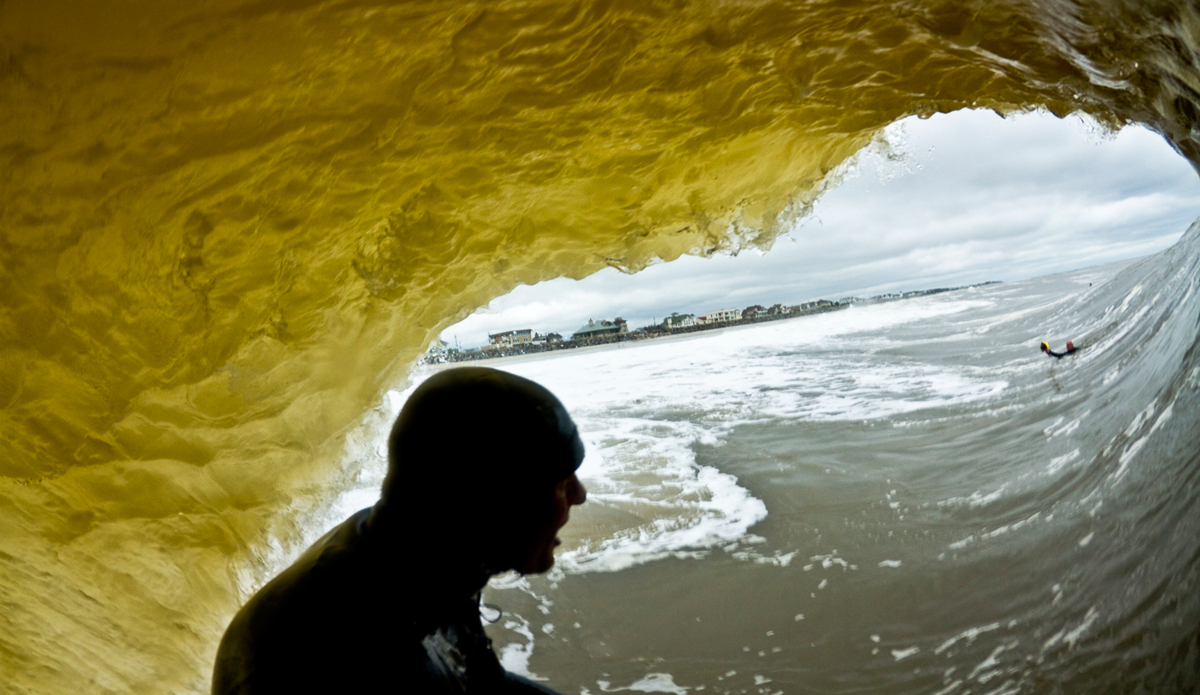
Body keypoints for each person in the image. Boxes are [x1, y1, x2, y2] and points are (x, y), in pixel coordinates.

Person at [212, 367, 588, 694]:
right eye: (559, 481)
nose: (579, 494)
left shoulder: (421, 551)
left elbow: (485, 685)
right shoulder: (354, 654)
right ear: (489, 497)